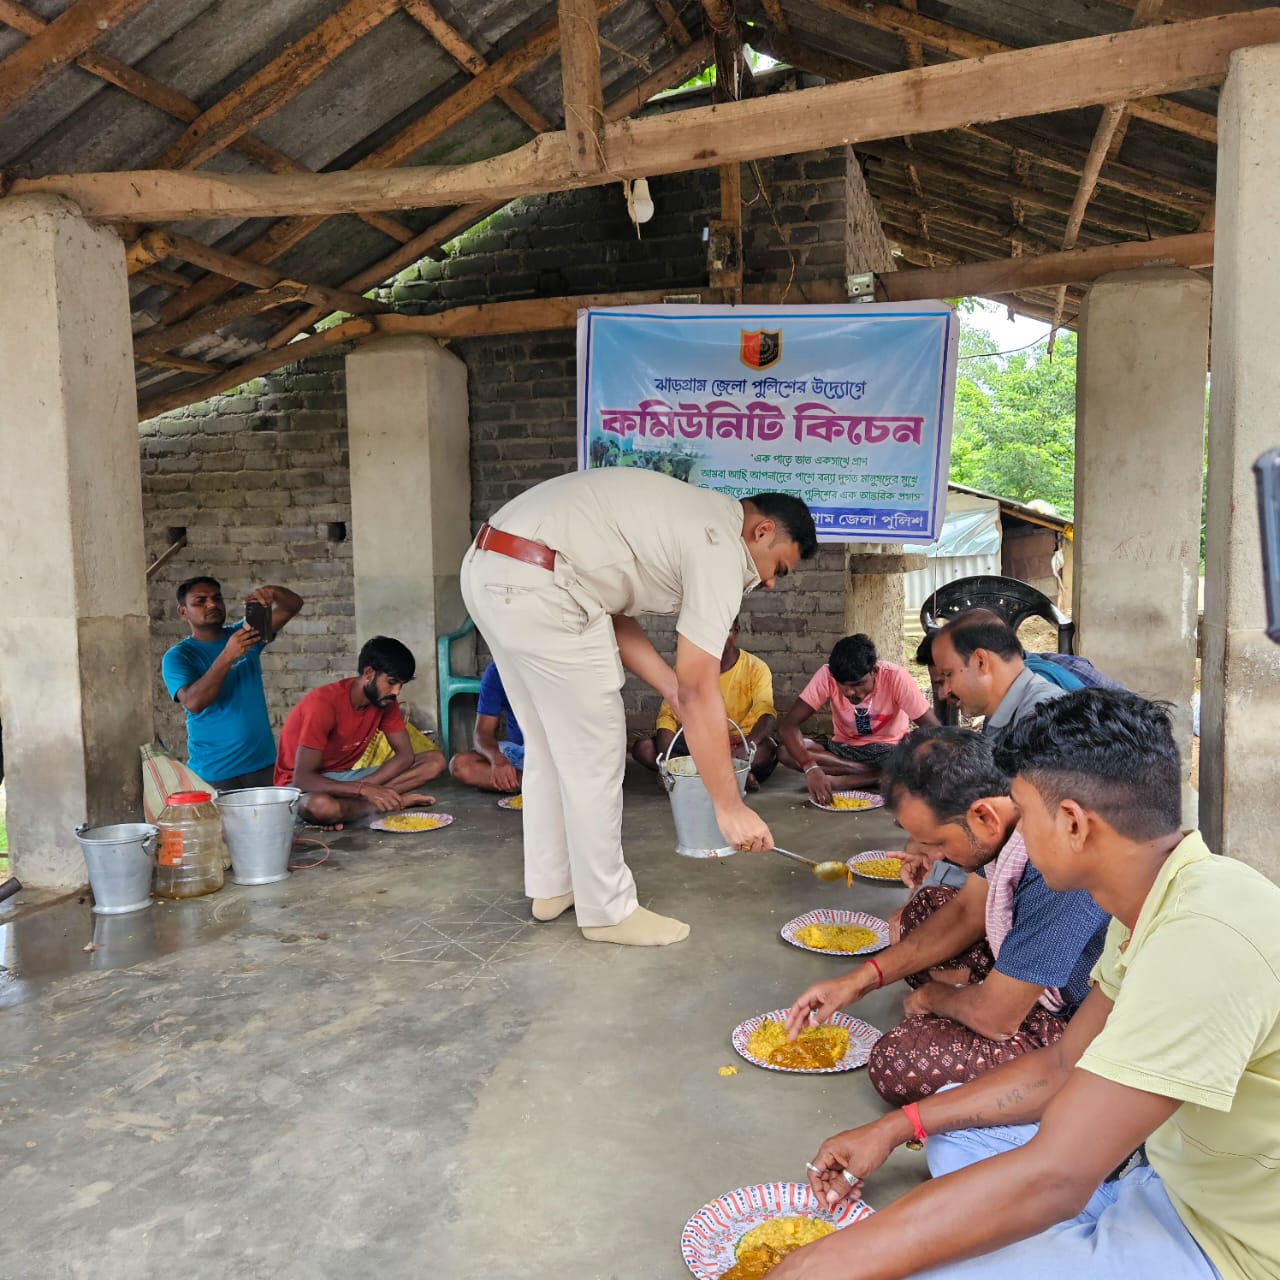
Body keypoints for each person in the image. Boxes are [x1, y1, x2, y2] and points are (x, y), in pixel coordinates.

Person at [771, 691, 1280, 1280]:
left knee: (928, 1265)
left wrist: (824, 1261)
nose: (1015, 833)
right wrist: (894, 1127)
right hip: (1162, 1180)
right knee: (950, 1145)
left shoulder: (1204, 939)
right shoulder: (1154, 898)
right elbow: (1064, 1064)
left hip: (1221, 1244)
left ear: (1071, 823)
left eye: (1022, 809)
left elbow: (1057, 1178)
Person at [461, 468, 817, 947]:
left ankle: (553, 886)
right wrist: (729, 808)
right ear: (762, 531)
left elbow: (614, 611)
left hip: (493, 570)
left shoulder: (690, 517)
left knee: (548, 745)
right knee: (597, 753)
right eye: (780, 568)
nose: (772, 583)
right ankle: (608, 911)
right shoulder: (720, 545)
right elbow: (700, 688)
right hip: (544, 585)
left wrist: (670, 687)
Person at [785, 726, 1108, 1105]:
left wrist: (935, 997)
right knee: (925, 909)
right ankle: (982, 986)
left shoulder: (1055, 861)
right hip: (1025, 976)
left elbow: (999, 1020)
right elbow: (966, 911)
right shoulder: (1014, 820)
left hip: (1073, 1016)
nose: (933, 856)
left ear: (984, 817)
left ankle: (1000, 1008)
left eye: (937, 842)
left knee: (898, 1059)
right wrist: (856, 982)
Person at [274, 636, 446, 826]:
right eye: (391, 682)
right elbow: (303, 779)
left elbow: (405, 756)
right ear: (369, 673)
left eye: (401, 685)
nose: (397, 691)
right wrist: (363, 789)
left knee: (434, 761)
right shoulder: (323, 704)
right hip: (301, 788)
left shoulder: (385, 702)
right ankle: (382, 805)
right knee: (321, 807)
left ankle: (357, 808)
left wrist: (368, 787)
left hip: (347, 778)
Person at [161, 576, 303, 792]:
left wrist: (273, 592)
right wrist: (227, 656)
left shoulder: (245, 635)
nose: (212, 604)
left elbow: (292, 606)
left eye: (217, 598)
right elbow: (194, 702)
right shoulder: (179, 656)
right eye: (200, 601)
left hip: (263, 766)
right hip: (216, 773)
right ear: (183, 612)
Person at [777, 634, 939, 800]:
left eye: (857, 684)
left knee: (922, 759)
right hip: (843, 749)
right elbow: (788, 726)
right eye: (843, 685)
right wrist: (810, 767)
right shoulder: (827, 674)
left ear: (874, 671)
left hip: (889, 751)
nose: (849, 692)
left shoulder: (895, 677)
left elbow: (934, 730)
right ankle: (872, 775)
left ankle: (846, 781)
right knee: (785, 752)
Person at [631, 616, 778, 791]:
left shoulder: (755, 668)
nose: (714, 638)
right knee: (644, 749)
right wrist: (668, 762)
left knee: (768, 750)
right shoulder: (688, 669)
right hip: (698, 745)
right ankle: (731, 775)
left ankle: (696, 777)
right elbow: (667, 717)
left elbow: (766, 714)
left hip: (738, 745)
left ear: (736, 631)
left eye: (723, 631)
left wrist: (746, 747)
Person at [930, 613, 1065, 737]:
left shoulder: (1042, 721)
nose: (943, 693)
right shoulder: (1010, 717)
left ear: (981, 662)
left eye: (948, 674)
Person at [448, 661, 525, 793]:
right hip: (521, 752)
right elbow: (482, 732)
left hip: (558, 755)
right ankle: (532, 784)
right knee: (460, 765)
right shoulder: (497, 671)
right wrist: (497, 759)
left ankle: (532, 785)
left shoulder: (561, 668)